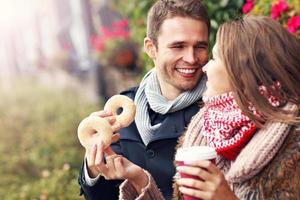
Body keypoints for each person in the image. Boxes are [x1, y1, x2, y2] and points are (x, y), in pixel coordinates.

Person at [101, 15, 300, 199]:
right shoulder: (203, 130)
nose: (205, 67)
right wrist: (138, 179)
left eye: (214, 58)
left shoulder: (293, 142)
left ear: (241, 73)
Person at [78, 0, 210, 199]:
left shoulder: (218, 109)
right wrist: (93, 169)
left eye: (200, 46)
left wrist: (140, 180)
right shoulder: (124, 109)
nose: (191, 58)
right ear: (151, 48)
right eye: (178, 46)